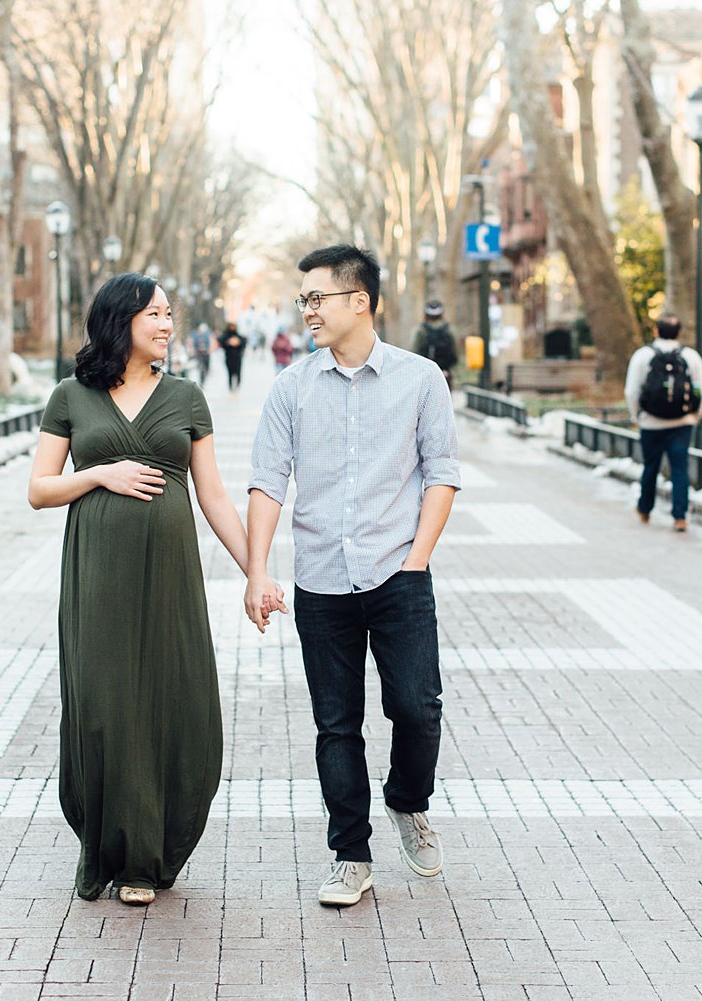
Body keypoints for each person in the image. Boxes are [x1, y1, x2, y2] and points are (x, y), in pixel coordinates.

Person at [28, 273, 257, 906]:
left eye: (168, 313)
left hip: (171, 576)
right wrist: (102, 473)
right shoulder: (70, 397)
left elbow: (211, 495)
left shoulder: (186, 397)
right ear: (118, 320)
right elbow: (40, 489)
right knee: (106, 704)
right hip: (97, 574)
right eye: (153, 313)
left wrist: (255, 572)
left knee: (173, 698)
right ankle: (116, 851)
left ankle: (156, 850)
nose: (166, 324)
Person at [244, 244, 460, 908]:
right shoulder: (291, 387)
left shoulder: (422, 378)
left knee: (418, 709)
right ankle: (351, 854)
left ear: (359, 300)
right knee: (337, 724)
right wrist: (258, 571)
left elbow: (442, 473)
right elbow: (266, 484)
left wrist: (417, 558)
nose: (306, 310)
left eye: (317, 298)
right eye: (303, 299)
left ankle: (407, 799)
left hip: (399, 574)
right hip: (321, 582)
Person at [624, 314, 702, 533]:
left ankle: (645, 509)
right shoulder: (691, 356)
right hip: (682, 423)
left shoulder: (642, 356)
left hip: (651, 423)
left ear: (655, 331)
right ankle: (680, 517)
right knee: (680, 468)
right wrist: (694, 416)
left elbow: (631, 391)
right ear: (679, 332)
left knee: (650, 466)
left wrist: (638, 416)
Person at [412, 300, 458, 390]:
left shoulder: (420, 330)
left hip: (425, 373)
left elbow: (415, 351)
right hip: (445, 372)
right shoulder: (449, 330)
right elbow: (455, 352)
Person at [220, 322, 247, 391]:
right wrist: (229, 342)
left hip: (237, 357)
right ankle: (230, 386)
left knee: (238, 372)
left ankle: (237, 385)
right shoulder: (226, 336)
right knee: (229, 373)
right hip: (229, 357)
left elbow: (243, 341)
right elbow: (221, 341)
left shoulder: (237, 336)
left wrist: (238, 342)